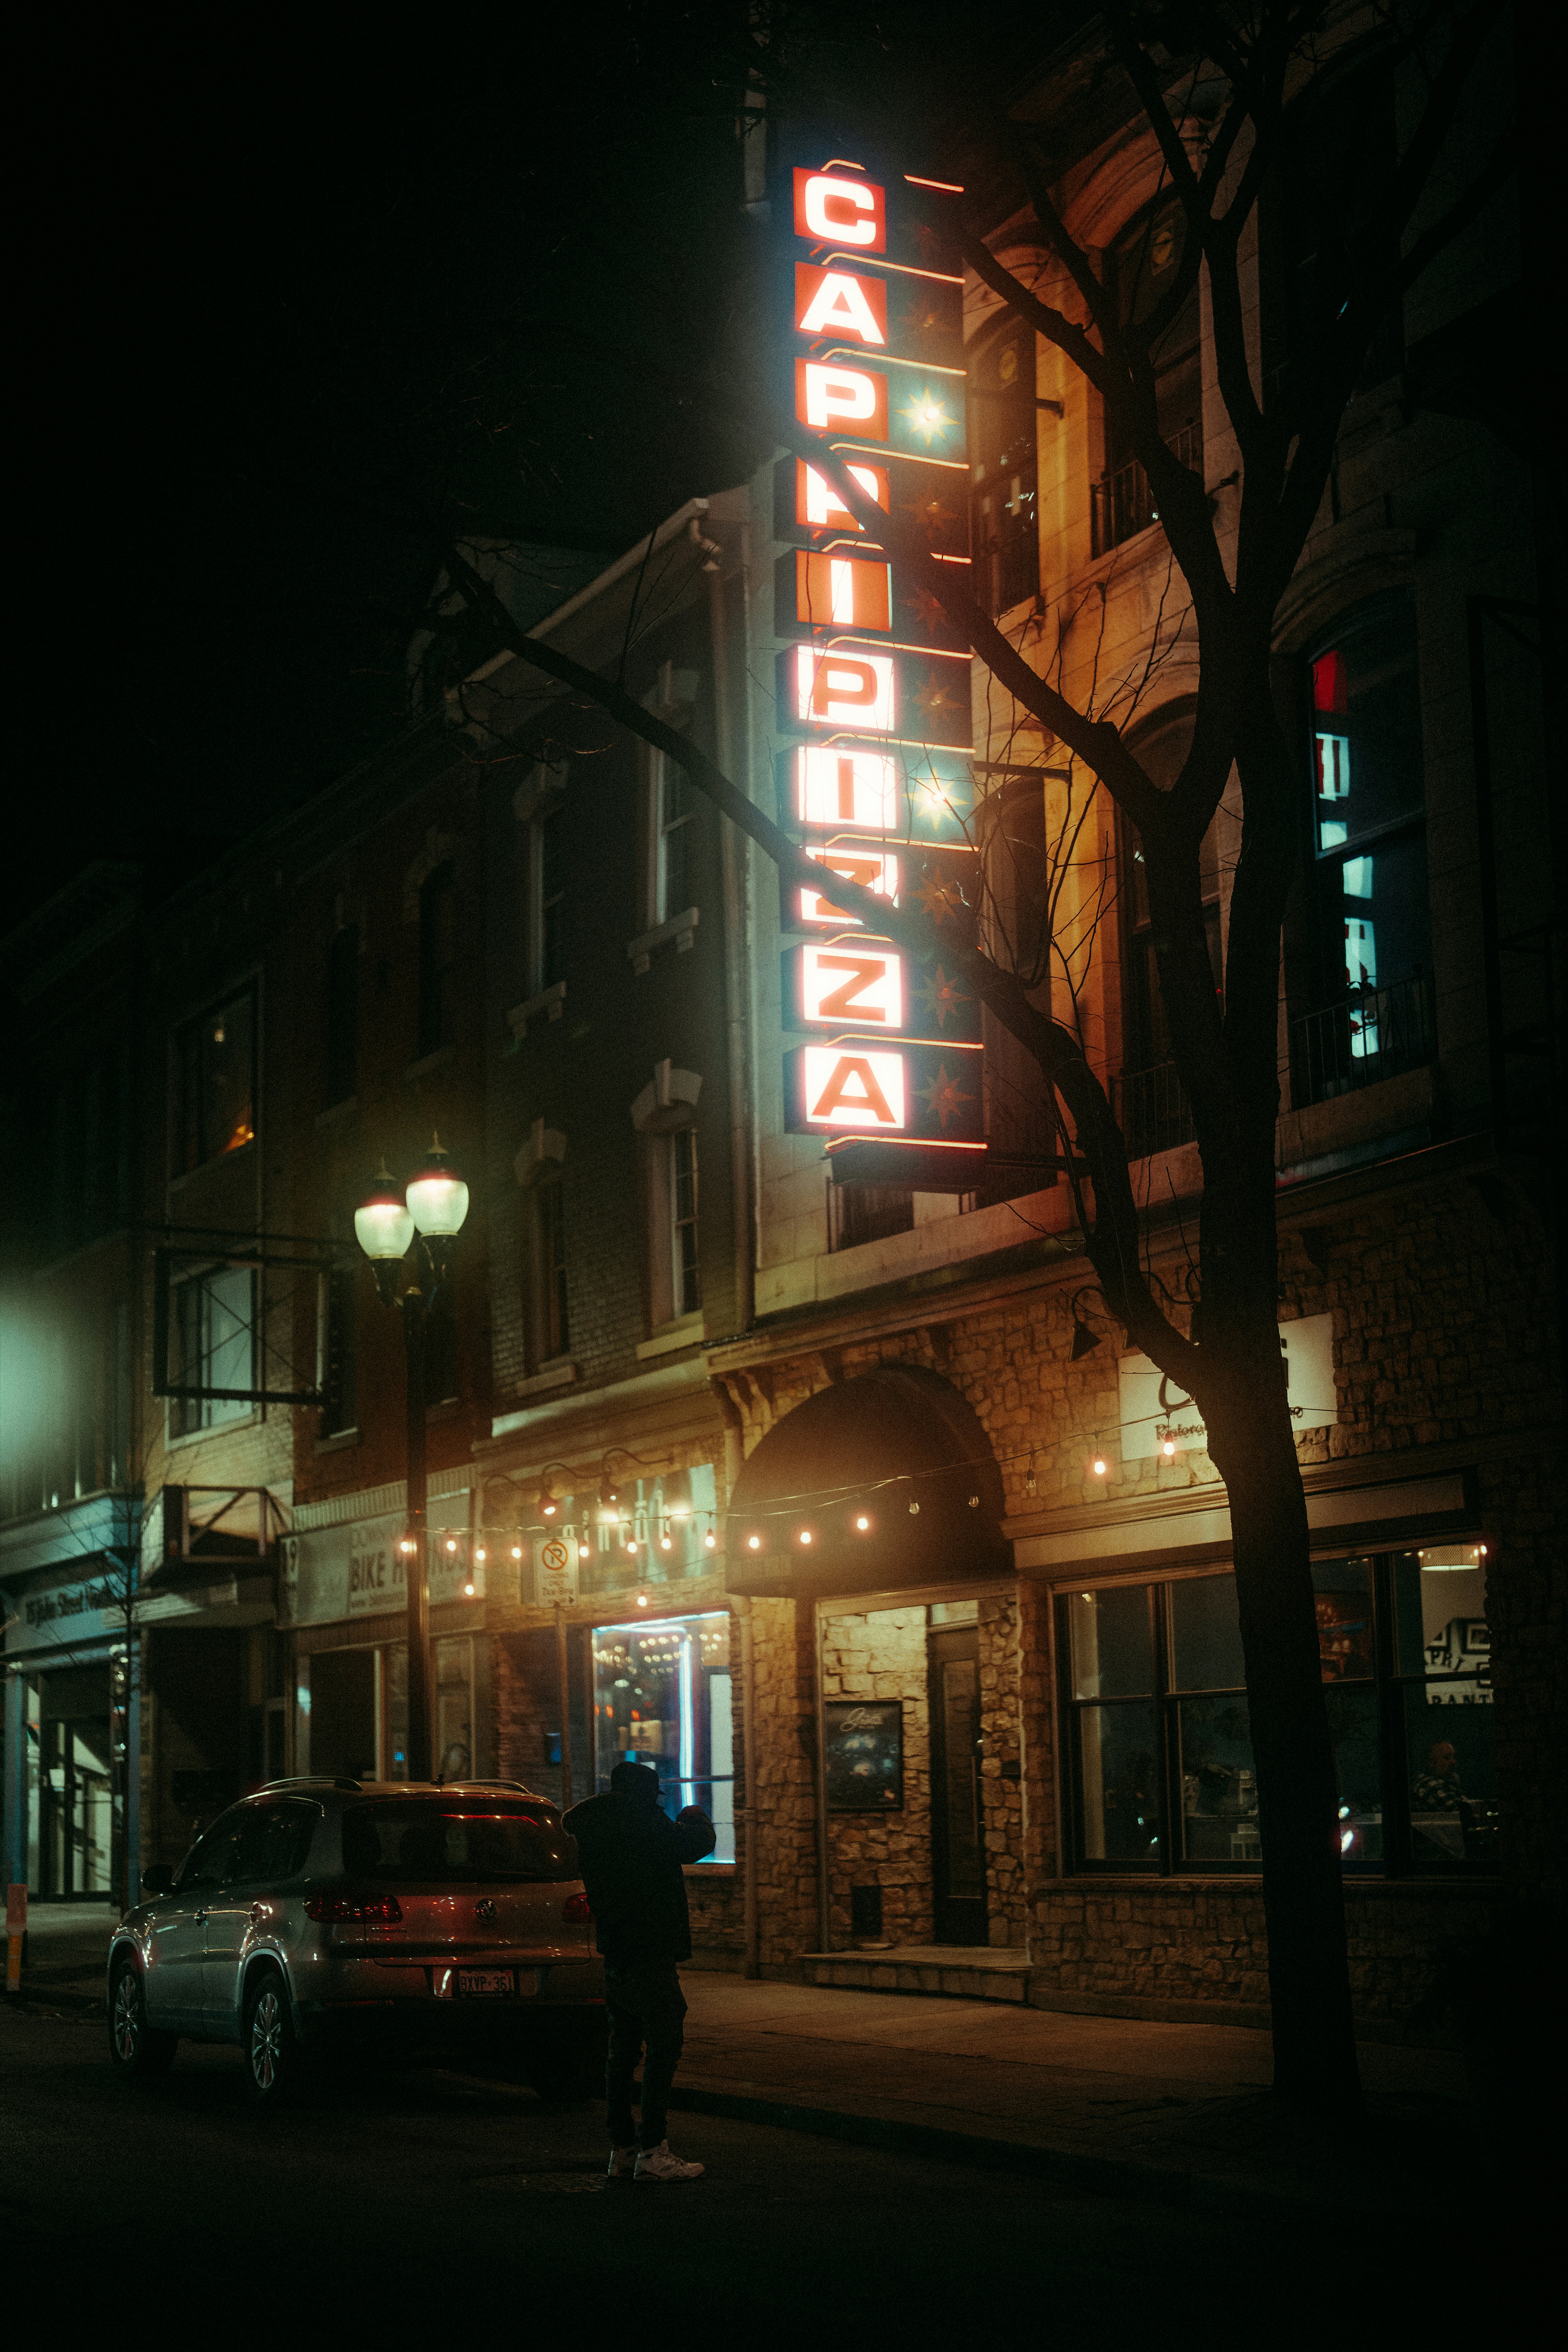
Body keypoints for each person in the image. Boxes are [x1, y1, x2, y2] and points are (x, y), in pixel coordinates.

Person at [564, 1758, 715, 2181]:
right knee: (665, 2045)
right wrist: (697, 1817)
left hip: (618, 1953)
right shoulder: (641, 1823)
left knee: (622, 2052)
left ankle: (623, 2148)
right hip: (650, 1951)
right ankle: (653, 2150)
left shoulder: (593, 1827)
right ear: (645, 1795)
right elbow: (690, 1845)